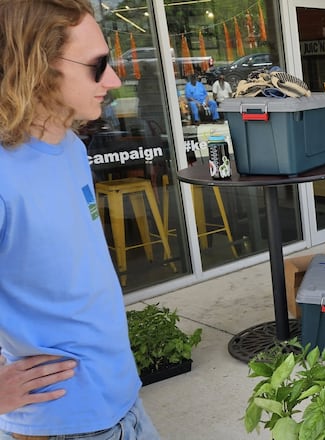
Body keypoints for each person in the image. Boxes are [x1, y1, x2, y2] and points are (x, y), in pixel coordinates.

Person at [0, 1, 160, 438]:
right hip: (62, 423)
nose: (114, 80)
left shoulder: (70, 147)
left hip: (122, 402)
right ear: (37, 67)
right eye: (97, 66)